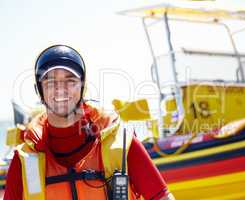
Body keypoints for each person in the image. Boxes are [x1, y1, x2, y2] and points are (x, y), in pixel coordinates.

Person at [4, 45, 175, 200]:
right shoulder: (24, 161)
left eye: (70, 80)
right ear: (39, 90)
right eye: (50, 81)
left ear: (83, 86)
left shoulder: (122, 145)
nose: (60, 88)